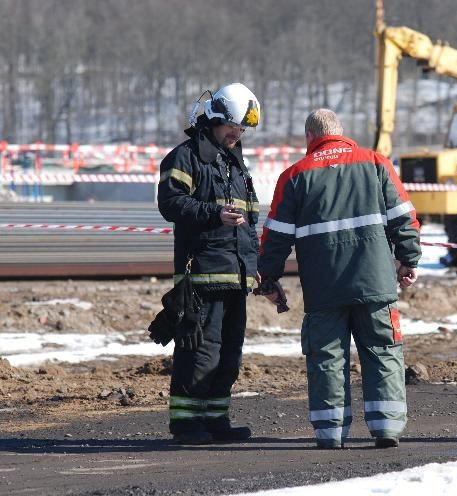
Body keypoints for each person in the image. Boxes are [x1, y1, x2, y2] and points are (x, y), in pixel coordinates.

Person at [257, 109, 421, 449]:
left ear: (309, 138)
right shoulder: (376, 163)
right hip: (375, 284)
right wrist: (408, 258)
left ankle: (330, 433)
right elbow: (403, 217)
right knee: (383, 351)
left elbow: (276, 236)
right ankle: (387, 427)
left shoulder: (295, 175)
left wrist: (269, 277)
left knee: (327, 357)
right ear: (341, 131)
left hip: (323, 288)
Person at [157, 83, 261, 445]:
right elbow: (170, 204)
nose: (238, 134)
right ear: (214, 119)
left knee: (228, 355)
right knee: (200, 352)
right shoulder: (185, 157)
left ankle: (216, 419)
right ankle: (186, 424)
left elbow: (249, 221)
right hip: (201, 275)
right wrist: (214, 214)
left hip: (236, 276)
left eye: (242, 129)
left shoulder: (234, 162)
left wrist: (256, 266)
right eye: (233, 127)